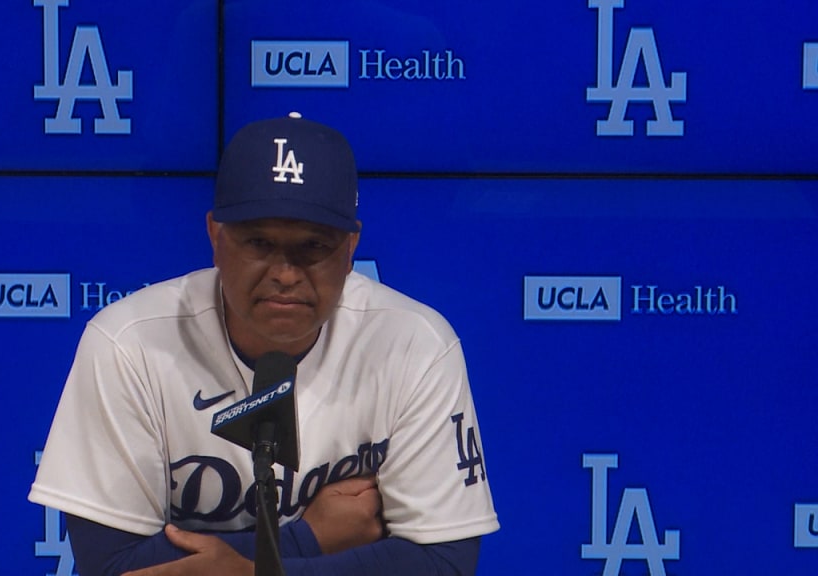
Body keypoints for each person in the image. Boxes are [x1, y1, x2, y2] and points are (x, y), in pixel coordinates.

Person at [28, 112, 499, 575]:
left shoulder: (413, 344)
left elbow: (444, 563)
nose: (285, 274)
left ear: (352, 248)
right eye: (258, 243)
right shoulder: (130, 344)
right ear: (215, 236)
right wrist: (307, 540)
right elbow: (111, 566)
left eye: (313, 247)